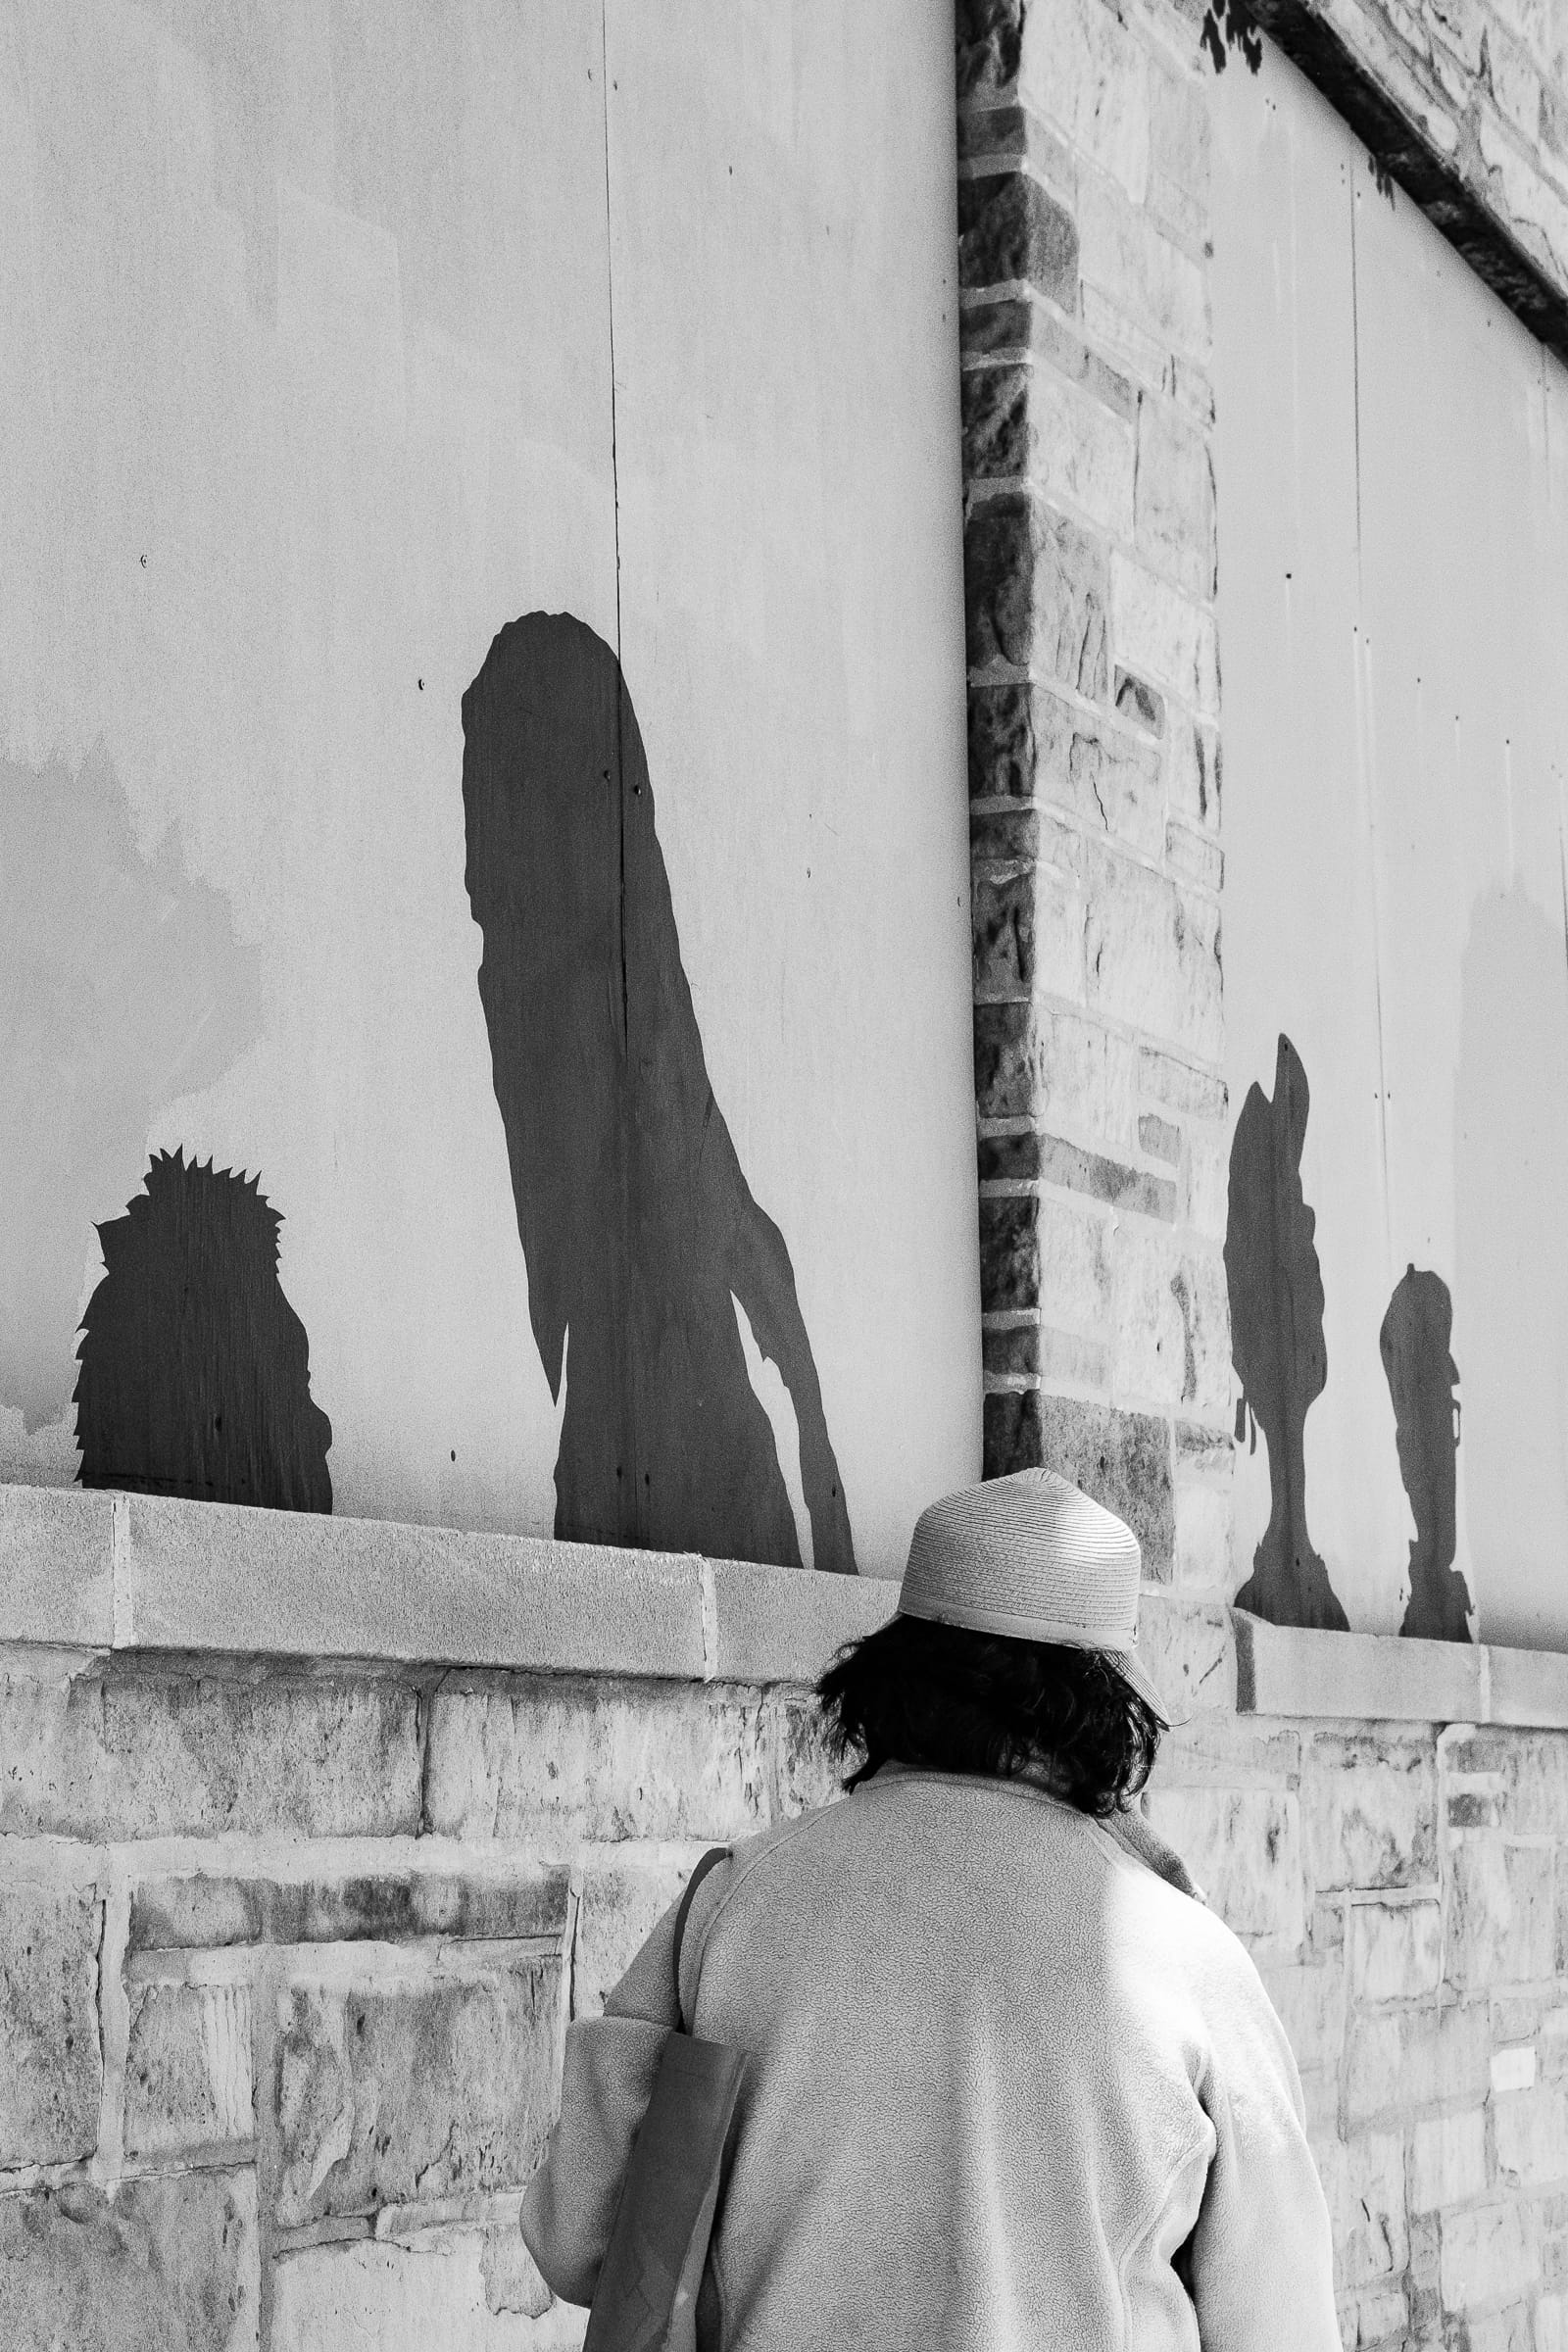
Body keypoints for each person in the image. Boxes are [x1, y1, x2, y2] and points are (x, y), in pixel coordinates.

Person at [520, 1468, 1340, 2348]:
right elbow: (1281, 2327)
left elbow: (577, 2241)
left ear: (890, 1677)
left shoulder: (735, 1899)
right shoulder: (1190, 1959)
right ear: (1107, 1710)